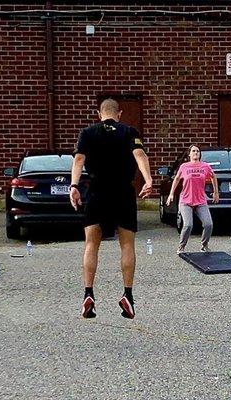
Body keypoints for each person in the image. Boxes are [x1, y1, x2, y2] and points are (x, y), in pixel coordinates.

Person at [70, 98, 152, 320]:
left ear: (99, 114)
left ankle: (88, 293)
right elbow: (139, 155)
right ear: (120, 113)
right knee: (127, 245)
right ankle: (128, 295)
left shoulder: (87, 133)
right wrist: (148, 180)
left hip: (97, 191)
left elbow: (78, 159)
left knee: (91, 244)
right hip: (123, 193)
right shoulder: (129, 131)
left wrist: (74, 186)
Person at [166, 144, 219, 254]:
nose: (196, 153)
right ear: (189, 154)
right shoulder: (184, 166)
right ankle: (182, 246)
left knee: (209, 224)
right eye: (194, 151)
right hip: (186, 200)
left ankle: (204, 245)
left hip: (200, 200)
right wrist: (171, 194)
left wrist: (216, 192)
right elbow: (176, 179)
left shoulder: (205, 166)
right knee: (188, 225)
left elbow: (213, 176)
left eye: (198, 151)